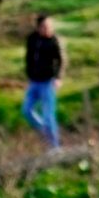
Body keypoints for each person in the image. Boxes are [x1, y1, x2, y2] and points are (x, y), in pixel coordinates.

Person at [22, 14, 65, 149]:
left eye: (50, 26)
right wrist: (28, 75)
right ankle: (44, 131)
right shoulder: (32, 39)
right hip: (34, 82)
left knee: (48, 115)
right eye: (45, 27)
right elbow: (28, 58)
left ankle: (54, 146)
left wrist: (58, 78)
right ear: (39, 28)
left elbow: (60, 61)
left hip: (48, 82)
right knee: (26, 110)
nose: (48, 29)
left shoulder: (53, 41)